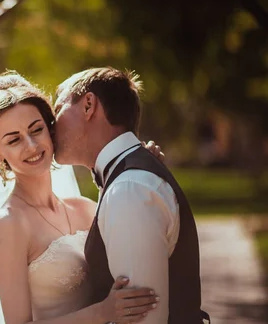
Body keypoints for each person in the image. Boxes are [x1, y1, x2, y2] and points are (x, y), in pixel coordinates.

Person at [0, 71, 161, 324]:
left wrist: (140, 172)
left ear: (50, 129)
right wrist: (103, 313)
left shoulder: (85, 208)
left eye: (36, 130)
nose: (32, 146)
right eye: (14, 140)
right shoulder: (10, 223)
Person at [53, 67, 209, 324]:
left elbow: (143, 319)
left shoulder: (129, 189)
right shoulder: (124, 180)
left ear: (88, 105)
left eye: (58, 108)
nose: (51, 124)